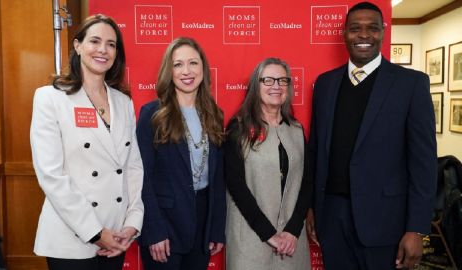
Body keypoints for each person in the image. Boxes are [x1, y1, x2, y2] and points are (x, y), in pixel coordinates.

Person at [306, 2, 437, 270]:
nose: (364, 35)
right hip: (332, 217)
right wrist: (311, 207)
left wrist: (417, 229)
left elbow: (423, 165)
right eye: (355, 29)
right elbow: (316, 151)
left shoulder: (410, 84)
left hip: (386, 223)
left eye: (372, 29)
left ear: (383, 32)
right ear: (344, 34)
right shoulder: (325, 84)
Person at [30, 14, 144, 270]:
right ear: (78, 45)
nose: (103, 49)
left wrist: (132, 223)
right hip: (71, 237)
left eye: (111, 44)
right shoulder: (50, 98)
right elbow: (51, 175)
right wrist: (95, 232)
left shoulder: (123, 103)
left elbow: (133, 167)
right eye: (95, 41)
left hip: (115, 237)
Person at [136, 37, 226, 270]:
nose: (187, 71)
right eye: (178, 64)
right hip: (165, 227)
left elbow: (218, 178)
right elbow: (141, 178)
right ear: (169, 71)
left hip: (202, 226)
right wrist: (153, 230)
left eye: (193, 63)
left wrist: (216, 227)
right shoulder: (152, 115)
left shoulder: (214, 114)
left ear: (203, 69)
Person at [225, 57, 312, 270]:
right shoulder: (238, 128)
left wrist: (292, 231)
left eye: (283, 81)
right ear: (257, 85)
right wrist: (269, 234)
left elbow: (308, 182)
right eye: (268, 80)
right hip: (250, 238)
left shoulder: (296, 130)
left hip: (291, 241)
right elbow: (236, 186)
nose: (276, 86)